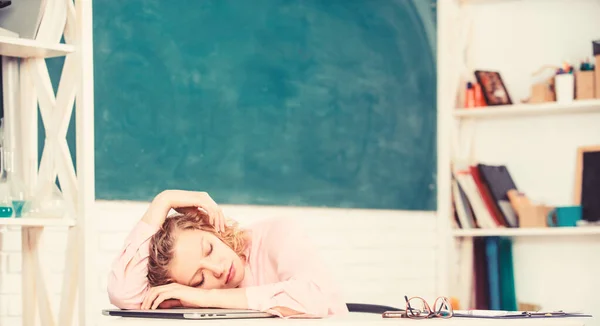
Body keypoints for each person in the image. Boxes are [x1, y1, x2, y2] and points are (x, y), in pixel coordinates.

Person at [107, 190, 349, 318]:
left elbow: (314, 298)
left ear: (209, 227)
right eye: (199, 280)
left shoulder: (278, 233)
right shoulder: (183, 295)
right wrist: (163, 201)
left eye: (209, 249)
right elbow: (124, 293)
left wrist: (204, 296)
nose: (218, 269)